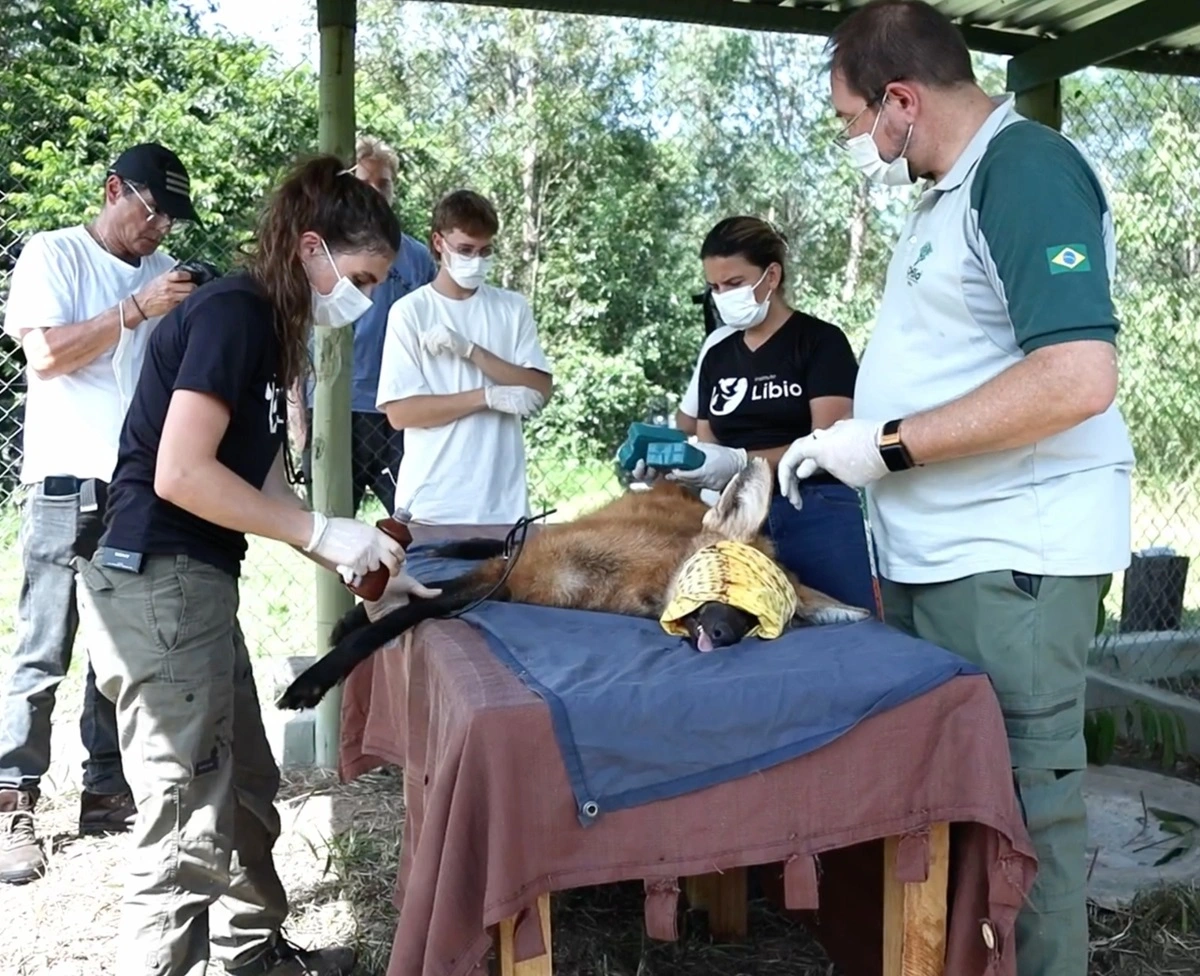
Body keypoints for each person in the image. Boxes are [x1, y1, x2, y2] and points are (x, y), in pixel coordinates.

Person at [776, 3, 1134, 974]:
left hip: (1012, 562)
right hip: (944, 556)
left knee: (1021, 818)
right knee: (954, 812)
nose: (858, 140)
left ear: (901, 99)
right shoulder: (946, 194)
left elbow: (1075, 377)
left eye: (855, 120)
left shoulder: (1025, 171)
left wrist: (885, 447)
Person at [73, 154, 437, 976]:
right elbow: (182, 473)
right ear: (313, 250)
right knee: (185, 826)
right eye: (366, 276)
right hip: (157, 579)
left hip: (195, 582)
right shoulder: (234, 312)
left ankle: (252, 956)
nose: (369, 298)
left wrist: (344, 544)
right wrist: (316, 533)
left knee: (243, 787)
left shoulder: (272, 332)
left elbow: (257, 478)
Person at [0, 142, 201, 884]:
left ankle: (105, 788)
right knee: (43, 641)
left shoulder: (160, 275)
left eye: (171, 222)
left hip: (134, 481)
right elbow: (47, 356)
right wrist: (133, 311)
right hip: (62, 477)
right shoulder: (53, 255)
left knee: (118, 644)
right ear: (114, 190)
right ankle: (11, 799)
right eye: (153, 214)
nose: (161, 233)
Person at [638, 216, 876, 613]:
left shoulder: (820, 342)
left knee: (844, 629)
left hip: (813, 508)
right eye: (714, 287)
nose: (722, 295)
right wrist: (673, 467)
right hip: (735, 520)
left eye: (734, 284)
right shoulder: (717, 355)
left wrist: (743, 464)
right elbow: (706, 446)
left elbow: (827, 443)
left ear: (772, 275)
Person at [376, 189, 553, 525]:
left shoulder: (512, 308)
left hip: (504, 508)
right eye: (466, 250)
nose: (476, 260)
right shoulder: (410, 312)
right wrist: (486, 396)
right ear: (439, 242)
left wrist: (472, 352)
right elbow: (401, 413)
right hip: (432, 508)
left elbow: (540, 389)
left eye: (485, 251)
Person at [291, 135, 438, 513]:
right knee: (331, 521)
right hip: (331, 405)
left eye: (384, 184)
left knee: (417, 519)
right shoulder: (320, 252)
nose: (375, 192)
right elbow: (293, 331)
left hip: (397, 407)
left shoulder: (417, 258)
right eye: (365, 182)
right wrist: (297, 411)